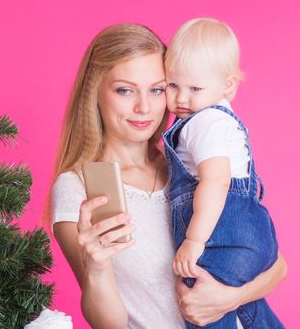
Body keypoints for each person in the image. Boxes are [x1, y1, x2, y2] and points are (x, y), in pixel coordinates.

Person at [46, 23, 287, 329]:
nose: (144, 107)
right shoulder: (79, 189)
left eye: (157, 89)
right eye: (125, 90)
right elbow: (111, 325)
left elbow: (277, 267)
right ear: (94, 91)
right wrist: (96, 268)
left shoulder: (187, 167)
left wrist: (229, 298)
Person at [164, 18, 284, 328]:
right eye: (172, 85)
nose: (181, 98)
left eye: (194, 88)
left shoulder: (204, 123)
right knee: (245, 307)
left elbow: (216, 180)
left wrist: (194, 240)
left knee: (202, 299)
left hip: (222, 237)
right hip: (253, 237)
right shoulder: (221, 120)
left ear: (227, 85)